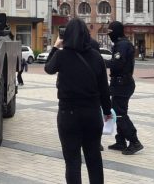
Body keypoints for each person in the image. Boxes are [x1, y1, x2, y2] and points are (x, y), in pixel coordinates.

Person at [45, 18, 111, 184]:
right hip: (92, 114)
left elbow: (48, 68)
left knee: (72, 161)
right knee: (94, 158)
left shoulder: (61, 56)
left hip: (69, 114)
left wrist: (55, 47)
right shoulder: (96, 57)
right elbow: (104, 88)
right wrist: (107, 111)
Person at [106, 21, 143, 155]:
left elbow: (117, 64)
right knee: (118, 113)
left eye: (110, 33)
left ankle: (134, 141)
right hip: (120, 83)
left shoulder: (122, 45)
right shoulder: (121, 43)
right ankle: (121, 141)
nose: (109, 35)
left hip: (122, 84)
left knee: (120, 114)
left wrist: (101, 62)